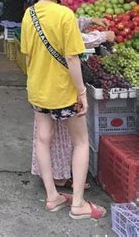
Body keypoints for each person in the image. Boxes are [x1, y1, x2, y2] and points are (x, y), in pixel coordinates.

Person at [21, 0, 106, 220]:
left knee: (42, 140)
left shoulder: (29, 13)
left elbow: (27, 55)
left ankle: (52, 197)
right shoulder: (65, 15)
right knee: (80, 142)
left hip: (38, 90)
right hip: (63, 92)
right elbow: (72, 59)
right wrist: (81, 93)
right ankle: (78, 204)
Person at [31, 18, 115, 190]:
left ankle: (51, 188)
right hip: (62, 88)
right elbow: (72, 46)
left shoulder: (32, 15)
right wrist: (102, 36)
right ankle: (67, 186)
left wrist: (90, 21)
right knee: (75, 139)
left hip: (41, 85)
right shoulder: (59, 12)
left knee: (44, 137)